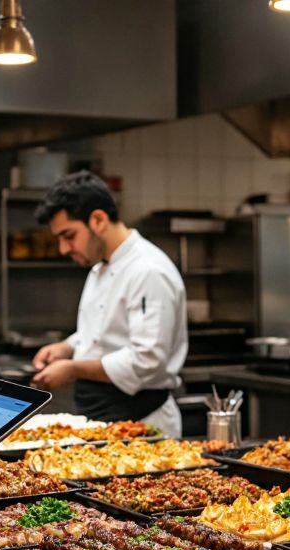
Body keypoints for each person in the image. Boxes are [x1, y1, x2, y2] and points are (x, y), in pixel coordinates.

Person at [30, 171, 188, 437]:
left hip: (142, 420)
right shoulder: (100, 266)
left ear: (98, 220)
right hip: (103, 415)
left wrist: (74, 369)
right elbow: (104, 331)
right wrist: (68, 347)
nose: (63, 249)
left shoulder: (147, 271)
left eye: (69, 235)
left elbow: (147, 360)